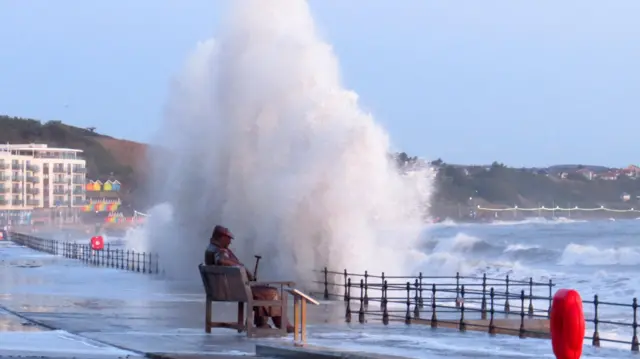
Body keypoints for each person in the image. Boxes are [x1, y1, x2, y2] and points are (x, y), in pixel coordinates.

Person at [205, 225, 294, 333]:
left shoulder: (210, 249)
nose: (230, 242)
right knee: (271, 292)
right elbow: (222, 260)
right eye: (229, 239)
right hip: (236, 290)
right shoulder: (220, 251)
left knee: (262, 291)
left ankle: (262, 323)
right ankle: (282, 324)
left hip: (224, 289)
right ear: (222, 237)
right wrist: (243, 267)